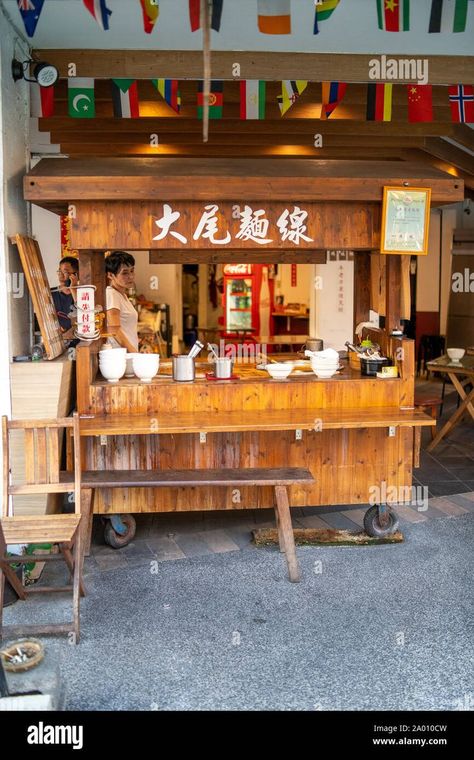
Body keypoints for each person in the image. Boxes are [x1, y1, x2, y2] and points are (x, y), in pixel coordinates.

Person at [105, 251, 139, 352]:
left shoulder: (122, 294)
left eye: (132, 271)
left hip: (127, 355)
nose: (131, 276)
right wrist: (134, 352)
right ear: (111, 275)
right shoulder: (112, 294)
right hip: (120, 357)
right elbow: (114, 329)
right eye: (125, 273)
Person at [51, 256, 79, 342]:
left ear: (75, 274)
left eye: (65, 272)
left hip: (77, 340)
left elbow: (82, 312)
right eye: (59, 271)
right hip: (57, 341)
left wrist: (73, 288)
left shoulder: (82, 294)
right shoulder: (51, 293)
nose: (61, 275)